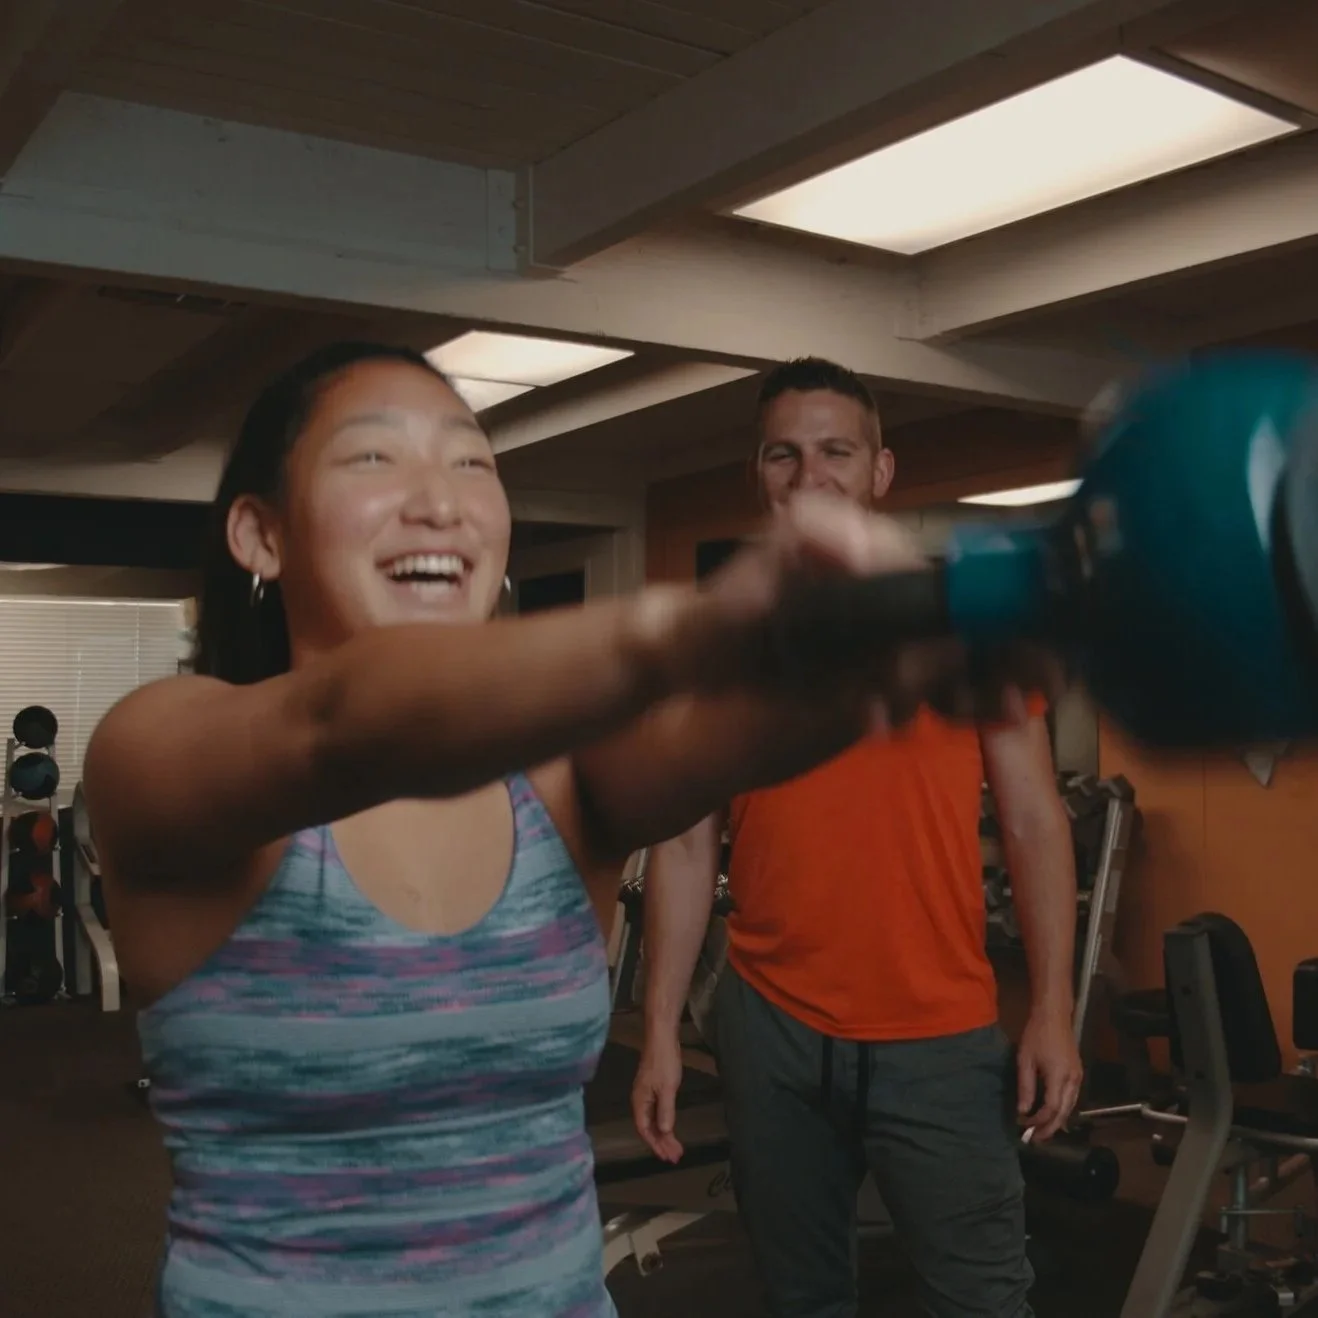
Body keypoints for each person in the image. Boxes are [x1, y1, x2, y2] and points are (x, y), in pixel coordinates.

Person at [82, 342, 1051, 1318]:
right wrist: (690, 626)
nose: (441, 501)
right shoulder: (159, 748)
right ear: (259, 533)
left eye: (471, 462)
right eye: (373, 459)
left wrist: (914, 636)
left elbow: (742, 731)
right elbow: (341, 726)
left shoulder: (563, 784)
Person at [633, 357, 1082, 1318]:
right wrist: (661, 1028)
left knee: (983, 1299)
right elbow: (681, 846)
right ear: (759, 474)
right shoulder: (721, 645)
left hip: (940, 1032)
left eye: (836, 451)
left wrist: (1053, 1007)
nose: (810, 476)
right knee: (802, 1297)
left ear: (881, 470)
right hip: (768, 1028)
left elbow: (1036, 819)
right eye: (783, 455)